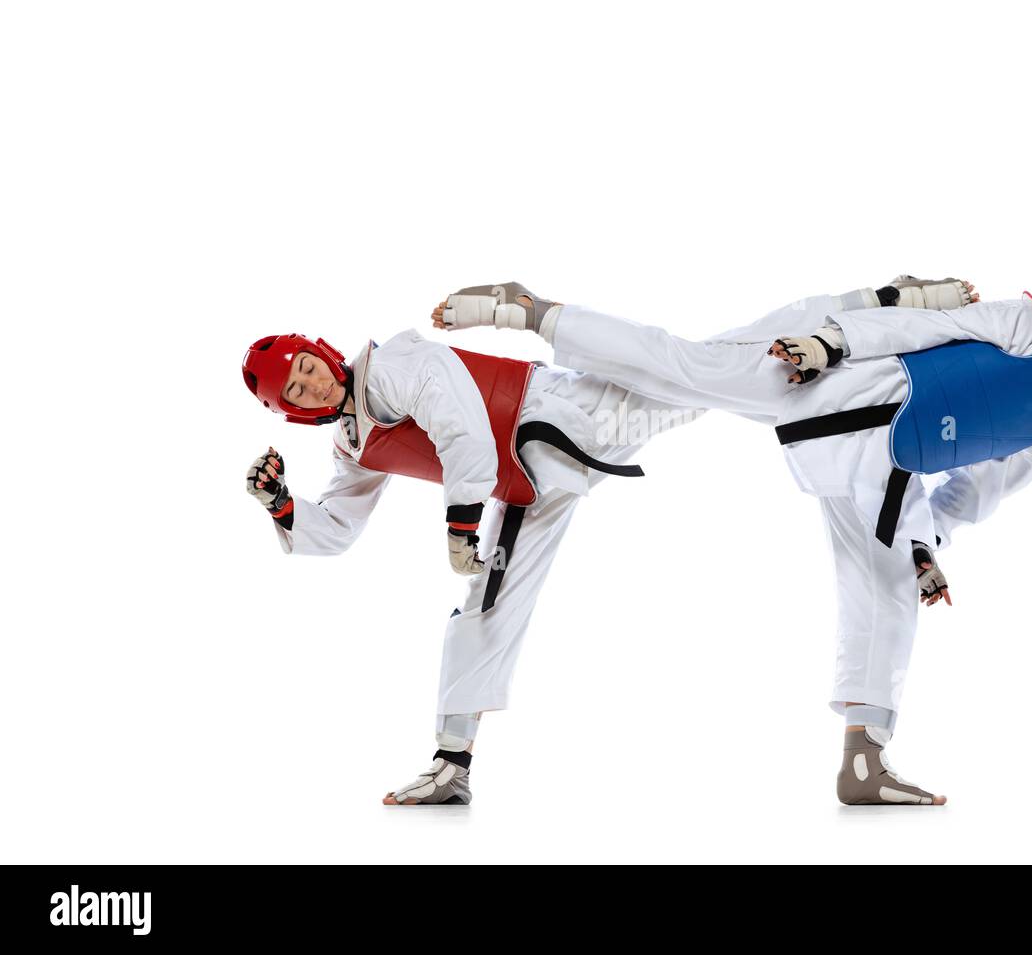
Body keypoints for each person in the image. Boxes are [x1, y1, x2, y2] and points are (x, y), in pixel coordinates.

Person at [432, 272, 1032, 805]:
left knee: (889, 584)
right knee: (682, 367)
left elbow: (978, 491)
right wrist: (832, 341)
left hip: (877, 470)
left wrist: (928, 545)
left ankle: (865, 754)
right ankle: (529, 311)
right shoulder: (1023, 323)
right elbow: (922, 325)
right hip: (825, 379)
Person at [242, 329, 698, 804]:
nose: (314, 385)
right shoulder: (352, 443)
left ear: (325, 354)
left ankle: (776, 356)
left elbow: (465, 429)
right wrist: (282, 504)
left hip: (561, 418)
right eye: (297, 390)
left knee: (693, 385)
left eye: (309, 368)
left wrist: (461, 524)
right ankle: (451, 768)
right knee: (485, 609)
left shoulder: (391, 367)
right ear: (294, 412)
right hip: (528, 486)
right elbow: (339, 526)